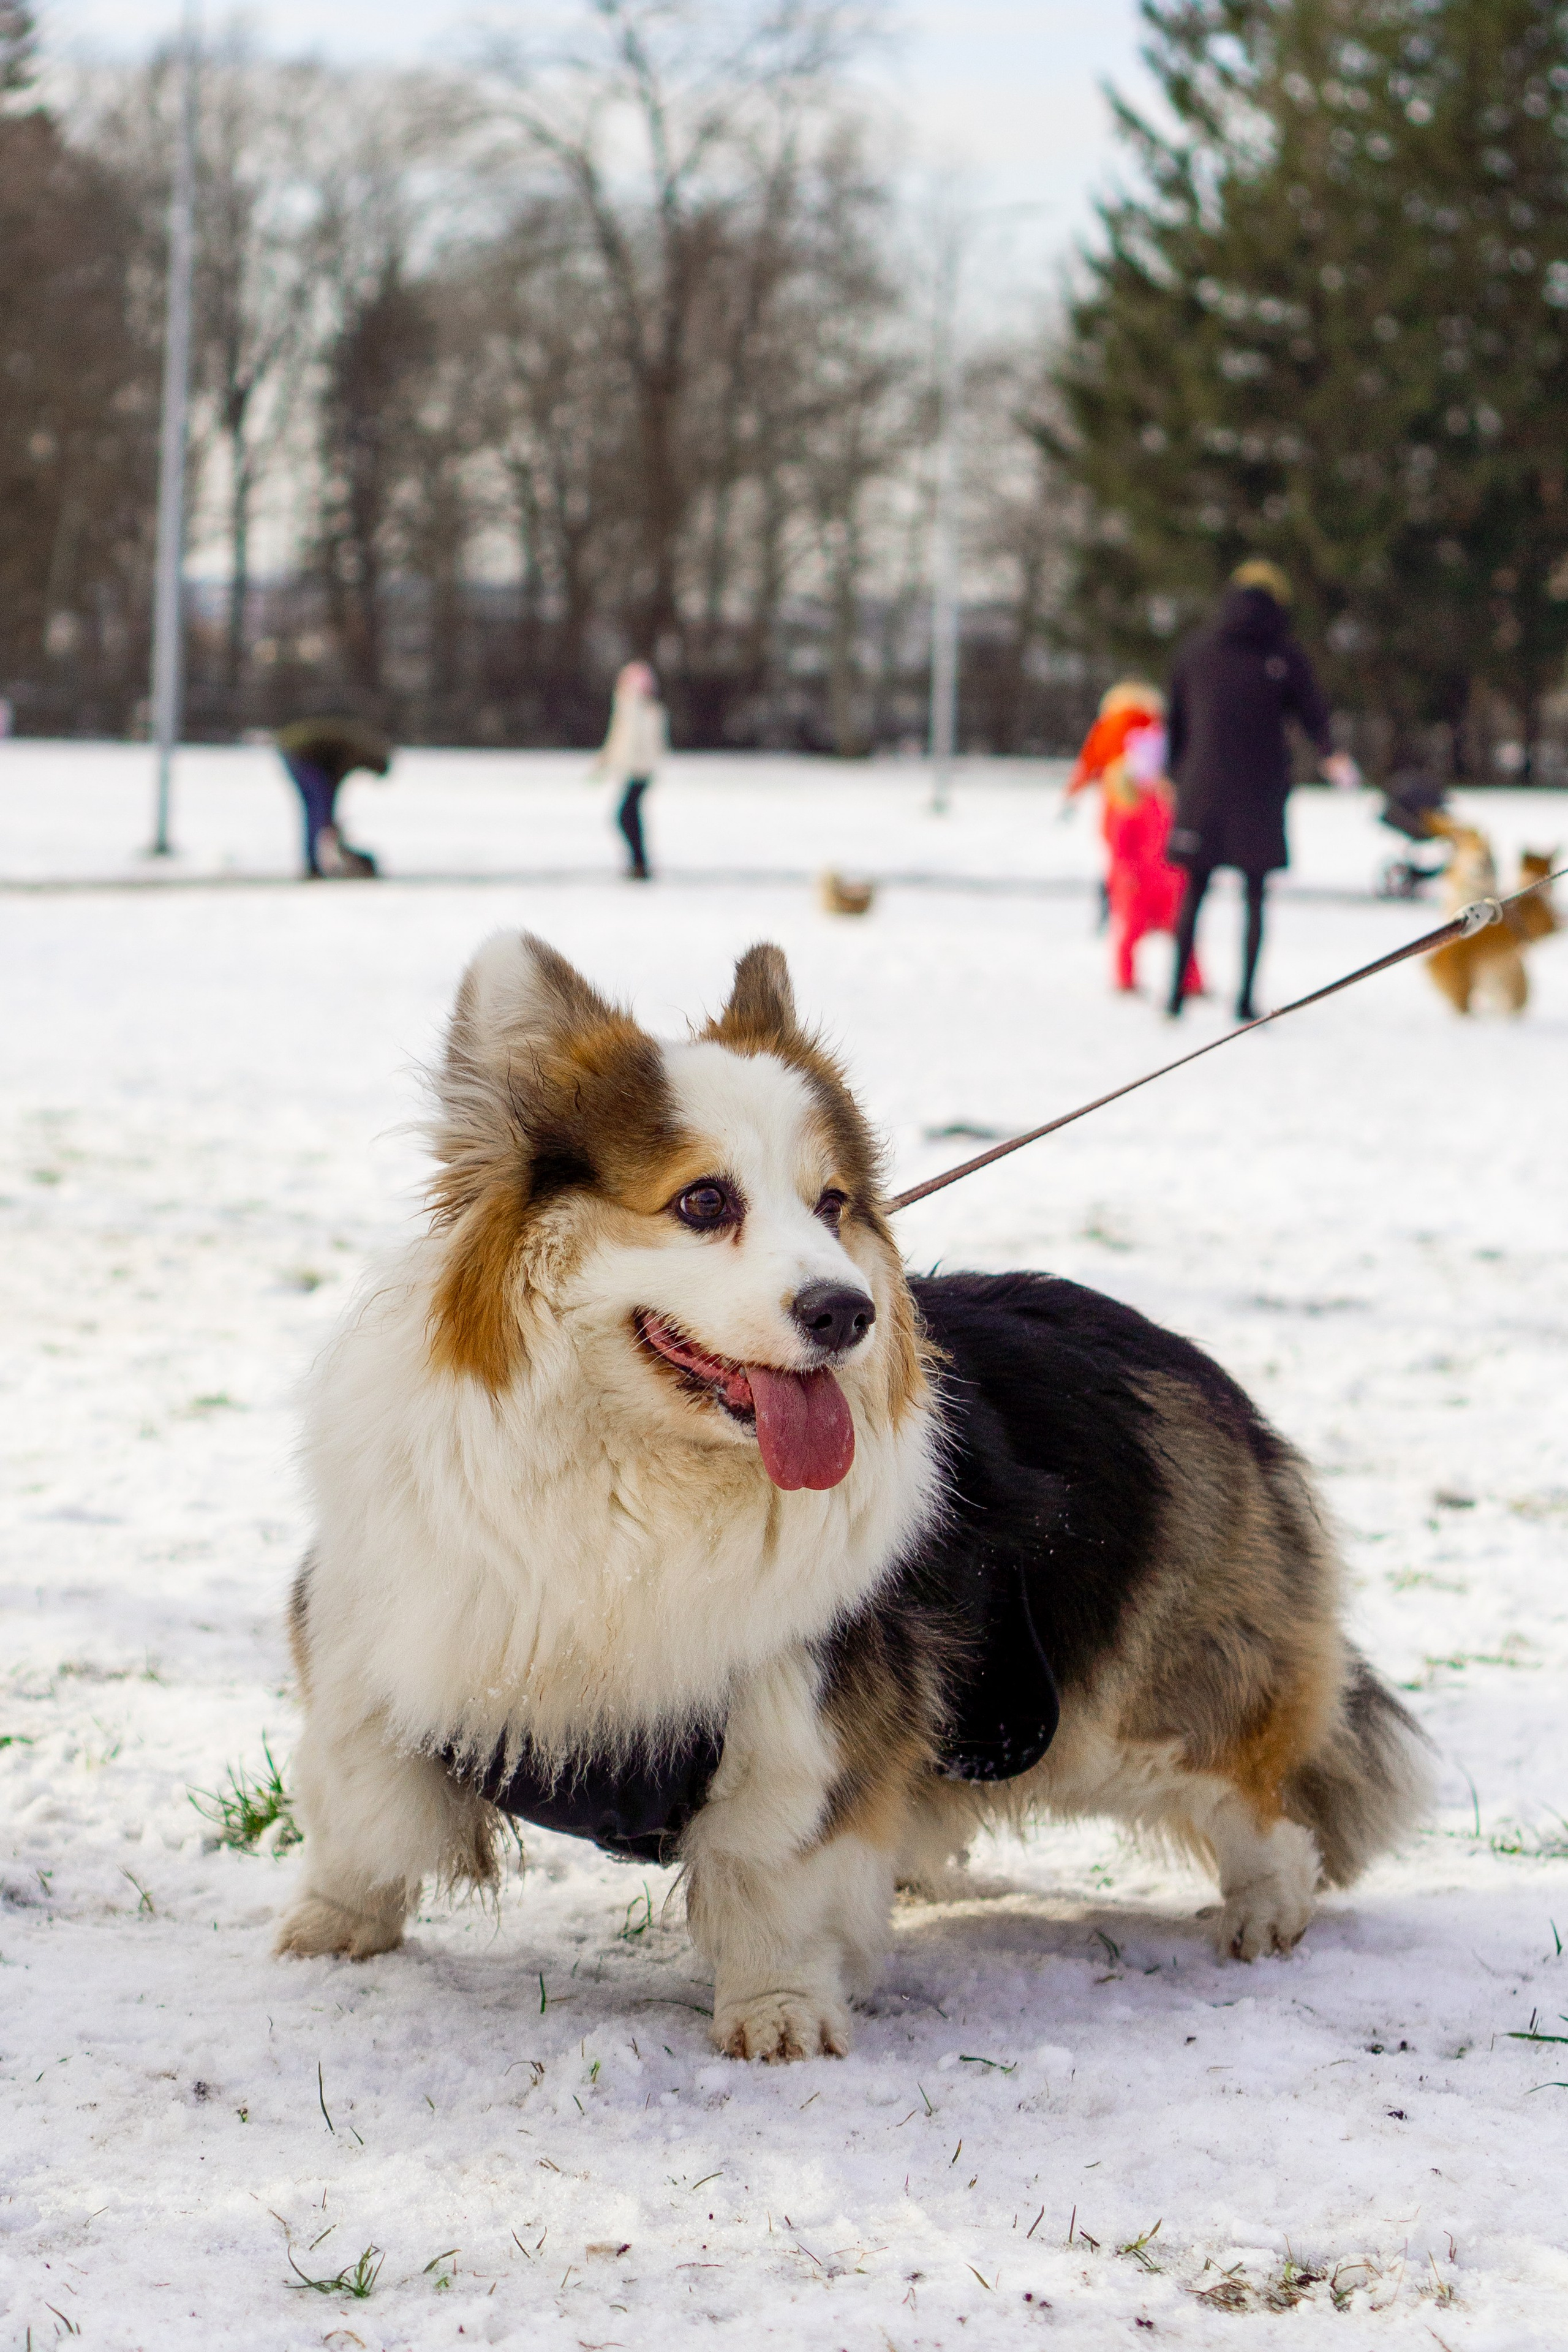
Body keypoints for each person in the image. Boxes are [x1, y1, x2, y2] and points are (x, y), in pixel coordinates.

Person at [1164, 559, 1357, 1020]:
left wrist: (1174, 775)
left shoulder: (1196, 649)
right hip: (1261, 789)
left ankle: (1174, 996)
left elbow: (1175, 721)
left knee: (1194, 891)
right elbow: (1313, 713)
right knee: (1255, 895)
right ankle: (1246, 1000)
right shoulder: (1284, 654)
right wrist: (1331, 753)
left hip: (1203, 785)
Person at [1066, 680, 1202, 999]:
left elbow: (1091, 759)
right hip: (1161, 867)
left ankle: (1128, 977)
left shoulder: (1111, 724)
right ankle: (1190, 981)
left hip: (1123, 805)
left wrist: (1074, 791)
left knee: (1131, 927)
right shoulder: (1155, 725)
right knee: (1178, 928)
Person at [275, 715, 393, 879]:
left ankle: (314, 864)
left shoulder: (359, 748)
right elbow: (334, 781)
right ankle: (313, 867)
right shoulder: (354, 754)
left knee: (320, 810)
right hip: (299, 751)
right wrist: (331, 817)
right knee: (317, 809)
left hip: (305, 751)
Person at [590, 661, 667, 880]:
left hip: (638, 771)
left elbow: (627, 740)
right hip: (640, 770)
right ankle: (639, 863)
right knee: (629, 816)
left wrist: (610, 763)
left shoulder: (636, 710)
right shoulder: (648, 711)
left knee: (626, 816)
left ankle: (639, 864)